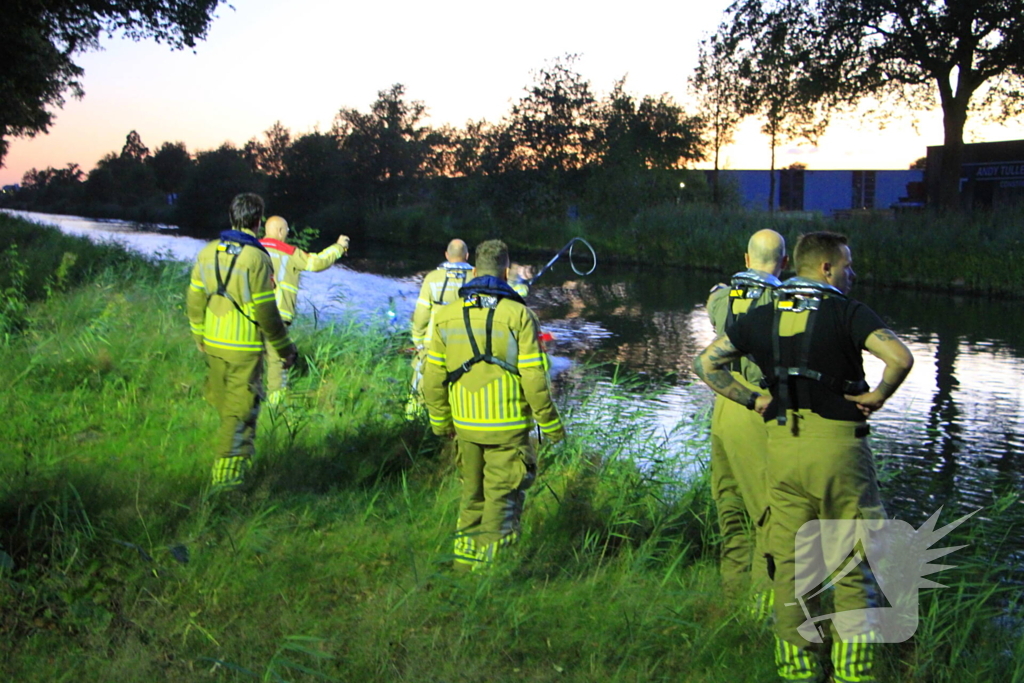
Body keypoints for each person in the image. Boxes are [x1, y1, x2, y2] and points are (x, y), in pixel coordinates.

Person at [692, 232, 914, 683]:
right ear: (827, 268)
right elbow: (900, 357)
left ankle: (797, 672)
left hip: (782, 448)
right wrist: (877, 396)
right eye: (847, 265)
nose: (852, 273)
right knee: (854, 564)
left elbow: (706, 363)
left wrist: (754, 401)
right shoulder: (846, 310)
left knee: (790, 565)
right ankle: (853, 673)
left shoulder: (764, 309)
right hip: (837, 450)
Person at [422, 239, 565, 570]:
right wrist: (552, 425)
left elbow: (432, 379)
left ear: (474, 271)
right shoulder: (521, 316)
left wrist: (441, 423)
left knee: (471, 500)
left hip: (465, 428)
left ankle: (462, 569)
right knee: (502, 504)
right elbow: (534, 379)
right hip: (509, 429)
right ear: (506, 271)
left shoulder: (445, 316)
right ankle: (490, 581)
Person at [186, 193, 297, 490]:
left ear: (231, 216)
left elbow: (194, 298)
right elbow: (266, 311)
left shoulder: (208, 252)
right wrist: (285, 347)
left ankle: (226, 473)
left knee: (226, 406)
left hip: (212, 343)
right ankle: (226, 484)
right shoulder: (256, 257)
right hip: (243, 348)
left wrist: (199, 335)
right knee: (240, 413)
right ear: (258, 221)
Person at [705, 229, 787, 613]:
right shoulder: (786, 304)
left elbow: (717, 301)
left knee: (731, 506)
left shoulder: (721, 299)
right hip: (758, 409)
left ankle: (731, 593)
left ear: (746, 258)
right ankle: (761, 608)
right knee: (768, 516)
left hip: (724, 404)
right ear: (783, 263)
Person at [259, 216, 349, 404]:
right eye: (287, 232)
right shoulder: (289, 252)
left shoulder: (252, 248)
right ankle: (276, 407)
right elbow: (317, 263)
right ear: (281, 232)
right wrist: (339, 247)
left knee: (250, 356)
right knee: (277, 361)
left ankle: (245, 399)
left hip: (251, 312)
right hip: (277, 315)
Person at [408, 239, 473, 412]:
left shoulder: (432, 278)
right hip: (465, 346)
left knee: (421, 386)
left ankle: (413, 422)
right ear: (467, 256)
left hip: (433, 343)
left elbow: (422, 313)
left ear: (446, 255)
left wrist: (418, 338)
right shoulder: (477, 278)